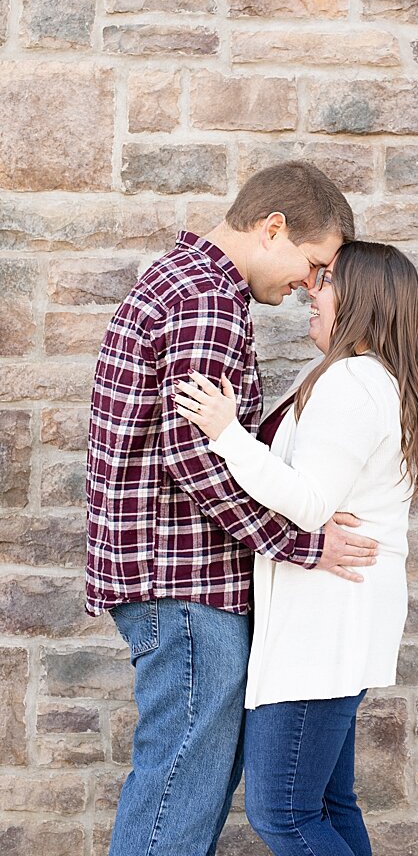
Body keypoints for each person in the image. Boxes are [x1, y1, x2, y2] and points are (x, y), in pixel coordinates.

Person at [85, 161, 379, 856]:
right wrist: (303, 545)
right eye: (312, 264)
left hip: (173, 583)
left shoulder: (182, 281)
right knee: (177, 804)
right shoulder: (206, 301)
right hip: (185, 585)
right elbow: (197, 459)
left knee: (182, 793)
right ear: (272, 228)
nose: (311, 285)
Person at [174, 240, 418, 856]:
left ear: (359, 299)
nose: (309, 293)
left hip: (324, 628)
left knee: (283, 813)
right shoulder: (350, 377)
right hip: (333, 624)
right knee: (325, 803)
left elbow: (311, 502)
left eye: (325, 282)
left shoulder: (351, 382)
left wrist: (225, 433)